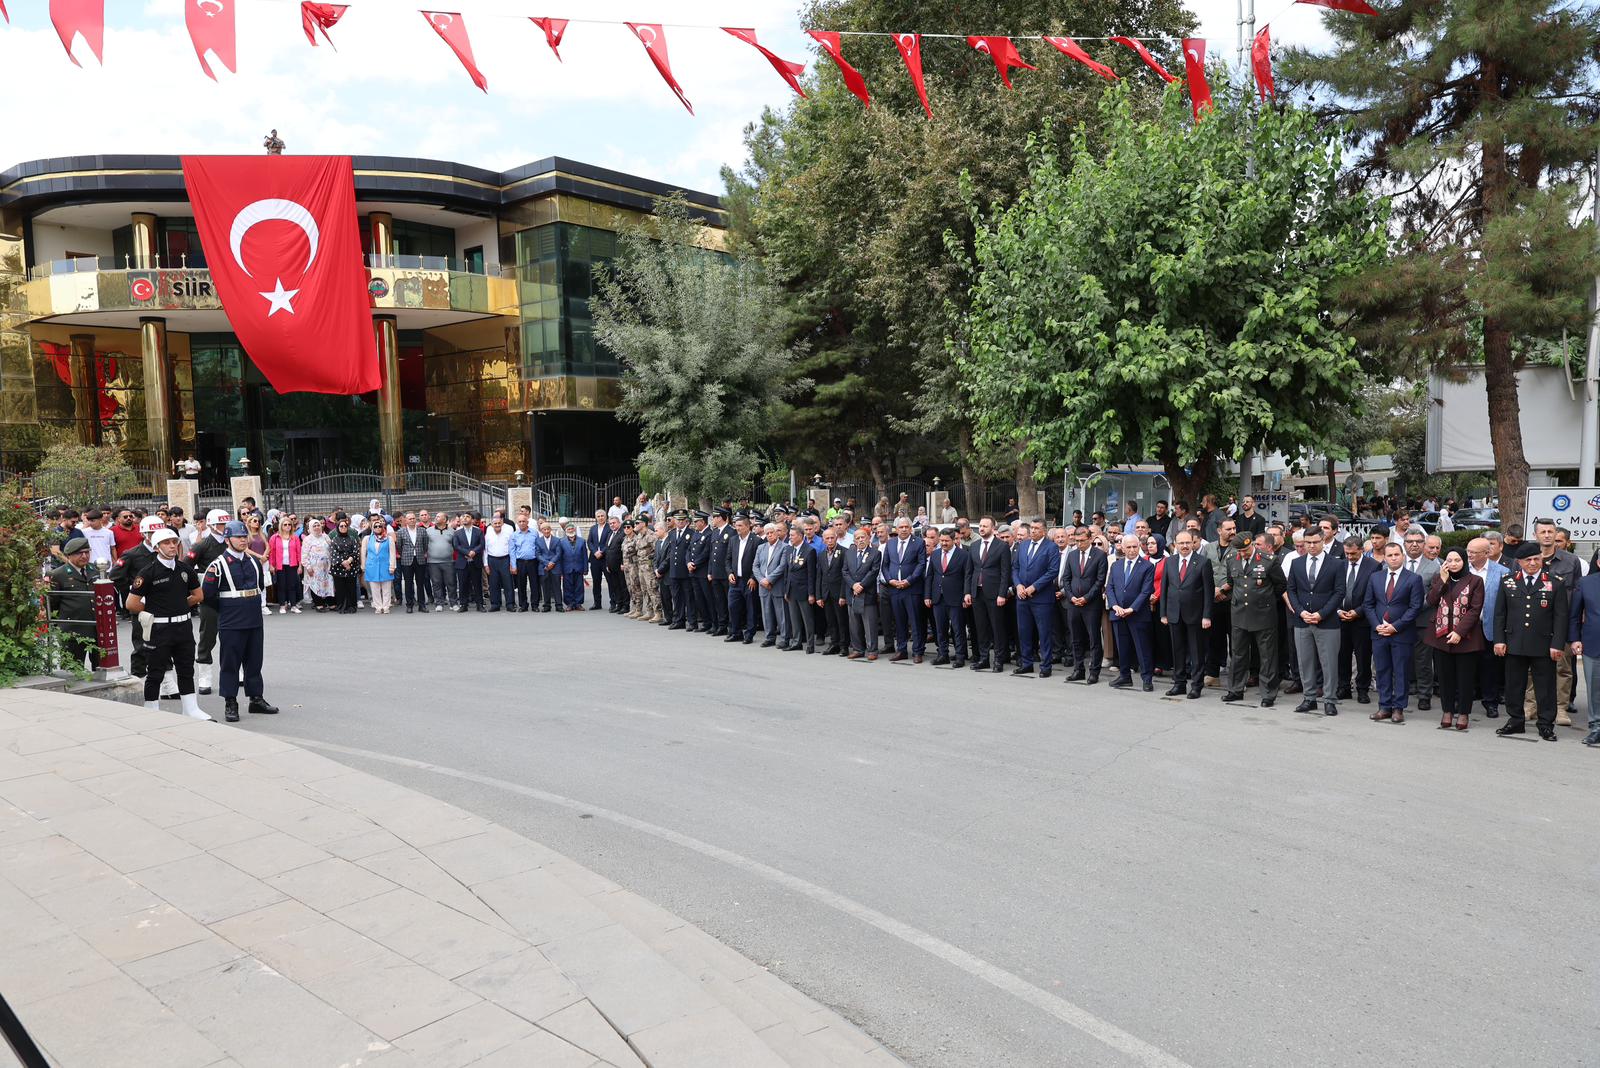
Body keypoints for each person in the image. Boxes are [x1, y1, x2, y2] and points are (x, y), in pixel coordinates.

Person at [126, 528, 209, 720]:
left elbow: (198, 595)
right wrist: (155, 612)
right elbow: (131, 603)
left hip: (183, 627)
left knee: (186, 669)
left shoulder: (185, 569)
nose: (172, 546)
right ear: (156, 547)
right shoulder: (148, 572)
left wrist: (178, 607)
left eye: (174, 542)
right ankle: (151, 708)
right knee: (155, 671)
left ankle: (191, 708)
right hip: (160, 628)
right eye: (166, 543)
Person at [201, 521, 278, 722]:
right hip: (231, 620)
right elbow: (208, 596)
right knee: (230, 663)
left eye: (245, 536)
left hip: (253, 618)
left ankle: (256, 699)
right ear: (227, 540)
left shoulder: (253, 561)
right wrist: (227, 611)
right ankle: (230, 702)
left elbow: (259, 586)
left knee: (254, 661)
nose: (243, 540)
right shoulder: (217, 565)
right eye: (238, 537)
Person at [1493, 541, 1569, 742]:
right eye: (1528, 560)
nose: (1533, 563)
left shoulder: (1555, 582)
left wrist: (1557, 644)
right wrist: (1499, 640)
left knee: (1545, 687)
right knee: (1514, 685)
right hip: (1514, 642)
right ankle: (1516, 720)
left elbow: (1561, 617)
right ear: (1519, 562)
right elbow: (1500, 614)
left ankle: (1545, 724)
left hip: (1543, 644)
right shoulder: (1508, 581)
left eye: (1537, 559)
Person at [1221, 532, 1287, 707]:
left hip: (1263, 615)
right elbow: (1231, 582)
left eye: (1246, 550)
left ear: (1252, 545)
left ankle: (1268, 694)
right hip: (1239, 613)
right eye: (1240, 551)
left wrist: (1265, 600)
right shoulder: (1231, 559)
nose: (1243, 554)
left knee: (1267, 656)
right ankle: (1235, 690)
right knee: (1238, 654)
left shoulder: (1269, 560)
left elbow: (1281, 585)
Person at [1423, 547, 1484, 731]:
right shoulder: (1440, 578)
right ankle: (1447, 711)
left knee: (1465, 678)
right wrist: (1441, 581)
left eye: (1457, 560)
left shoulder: (1475, 581)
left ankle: (1464, 713)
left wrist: (1459, 632)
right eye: (1449, 560)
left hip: (1466, 638)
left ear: (1465, 561)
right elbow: (1431, 601)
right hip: (1441, 636)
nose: (1453, 564)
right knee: (1444, 677)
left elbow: (1475, 609)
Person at [1366, 541, 1426, 722]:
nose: (1393, 558)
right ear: (1384, 558)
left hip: (1401, 633)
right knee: (1382, 670)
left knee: (1400, 671)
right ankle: (1384, 706)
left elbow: (1415, 608)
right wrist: (1377, 625)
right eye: (1390, 555)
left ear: (1403, 556)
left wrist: (1396, 626)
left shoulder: (1413, 579)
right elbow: (1368, 604)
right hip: (1379, 633)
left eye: (1396, 555)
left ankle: (1398, 708)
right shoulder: (1375, 577)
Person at [1160, 530, 1213, 698]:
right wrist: (1163, 613)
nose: (1184, 546)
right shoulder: (1169, 561)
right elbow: (1164, 589)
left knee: (1196, 652)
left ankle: (1196, 686)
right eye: (1181, 543)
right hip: (1174, 613)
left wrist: (1207, 615)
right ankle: (1179, 684)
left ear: (1193, 543)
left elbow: (1208, 592)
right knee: (1178, 650)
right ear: (1175, 545)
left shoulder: (1203, 562)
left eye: (1187, 543)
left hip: (1195, 615)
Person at [1336, 535, 1380, 704]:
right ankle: (1344, 687)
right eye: (1347, 553)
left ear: (1361, 550)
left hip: (1362, 619)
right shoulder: (1340, 565)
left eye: (1353, 554)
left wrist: (1358, 611)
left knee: (1363, 656)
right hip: (1341, 618)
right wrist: (1338, 610)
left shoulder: (1373, 567)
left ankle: (1362, 689)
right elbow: (1335, 591)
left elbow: (1374, 595)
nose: (1349, 557)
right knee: (1342, 655)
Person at [1401, 529, 1441, 710]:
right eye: (1410, 541)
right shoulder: (1395, 561)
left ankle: (1425, 694)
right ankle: (1408, 687)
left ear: (1424, 544)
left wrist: (1413, 608)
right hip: (1398, 620)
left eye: (1418, 541)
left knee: (1423, 660)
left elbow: (1434, 594)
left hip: (1423, 620)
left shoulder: (1434, 567)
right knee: (1403, 657)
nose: (1414, 544)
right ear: (1404, 543)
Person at [49, 537, 101, 671]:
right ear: (69, 555)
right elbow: (53, 603)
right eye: (79, 553)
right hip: (73, 630)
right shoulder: (59, 574)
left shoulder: (94, 570)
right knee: (72, 670)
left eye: (87, 552)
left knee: (101, 667)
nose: (84, 556)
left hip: (97, 628)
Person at [881, 517, 928, 663]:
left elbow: (921, 564)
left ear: (910, 528)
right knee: (899, 622)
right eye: (901, 527)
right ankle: (901, 650)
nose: (903, 529)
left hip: (912, 589)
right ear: (896, 529)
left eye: (906, 527)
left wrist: (909, 580)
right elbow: (885, 565)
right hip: (895, 589)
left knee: (915, 621)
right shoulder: (891, 543)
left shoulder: (919, 543)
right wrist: (890, 580)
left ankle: (917, 651)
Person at [922, 527, 970, 667]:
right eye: (941, 540)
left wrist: (966, 595)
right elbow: (930, 576)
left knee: (957, 629)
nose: (943, 543)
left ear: (954, 540)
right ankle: (943, 655)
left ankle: (960, 656)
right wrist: (927, 595)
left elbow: (967, 577)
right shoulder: (935, 555)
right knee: (940, 629)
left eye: (946, 541)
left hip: (956, 598)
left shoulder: (963, 555)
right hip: (938, 598)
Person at [1566, 563, 1600, 746]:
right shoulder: (1585, 583)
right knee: (1594, 688)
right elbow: (1574, 615)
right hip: (1593, 643)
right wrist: (1575, 639)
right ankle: (1596, 726)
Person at [844, 527, 882, 661]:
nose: (860, 540)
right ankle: (858, 649)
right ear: (854, 540)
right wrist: (853, 585)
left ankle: (872, 650)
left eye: (863, 537)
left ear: (868, 538)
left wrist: (861, 585)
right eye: (858, 538)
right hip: (852, 593)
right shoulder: (849, 552)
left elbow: (874, 571)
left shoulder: (875, 553)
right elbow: (845, 571)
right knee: (854, 624)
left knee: (869, 624)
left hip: (867, 593)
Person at [725, 514, 760, 642]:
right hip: (735, 581)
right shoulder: (733, 540)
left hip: (749, 581)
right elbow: (728, 559)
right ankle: (736, 632)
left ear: (747, 526)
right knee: (733, 606)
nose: (737, 528)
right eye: (736, 525)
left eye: (740, 526)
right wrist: (729, 572)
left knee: (751, 608)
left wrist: (753, 578)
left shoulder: (756, 541)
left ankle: (749, 634)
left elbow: (758, 562)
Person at [754, 521, 789, 647]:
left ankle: (785, 638)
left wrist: (769, 579)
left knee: (781, 614)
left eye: (772, 532)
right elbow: (755, 566)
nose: (769, 535)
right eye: (767, 533)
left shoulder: (784, 547)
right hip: (763, 586)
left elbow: (782, 566)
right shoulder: (761, 548)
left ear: (777, 534)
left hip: (777, 585)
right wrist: (762, 580)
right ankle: (769, 637)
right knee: (767, 613)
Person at [817, 527, 848, 656]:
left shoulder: (844, 552)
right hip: (826, 593)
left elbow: (844, 576)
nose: (830, 540)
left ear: (836, 538)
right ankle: (834, 644)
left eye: (832, 538)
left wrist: (843, 595)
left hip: (838, 593)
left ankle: (844, 646)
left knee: (841, 621)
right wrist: (819, 596)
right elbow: (819, 575)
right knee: (831, 621)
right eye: (827, 538)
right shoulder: (822, 554)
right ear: (823, 540)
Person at [362, 516, 398, 614]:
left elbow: (392, 553)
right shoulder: (367, 538)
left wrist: (392, 566)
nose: (378, 528)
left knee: (386, 588)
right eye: (375, 526)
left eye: (380, 526)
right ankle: (378, 606)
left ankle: (386, 606)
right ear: (372, 528)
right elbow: (363, 552)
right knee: (375, 588)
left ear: (383, 527)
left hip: (385, 566)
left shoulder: (389, 538)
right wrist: (363, 565)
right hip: (372, 566)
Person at [268, 516, 303, 615]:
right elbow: (271, 552)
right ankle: (282, 605)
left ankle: (293, 605)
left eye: (289, 524)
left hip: (292, 565)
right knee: (281, 586)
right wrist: (271, 565)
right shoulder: (274, 537)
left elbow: (298, 552)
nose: (287, 526)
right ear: (281, 526)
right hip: (280, 565)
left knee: (292, 585)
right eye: (285, 524)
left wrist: (300, 566)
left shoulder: (295, 538)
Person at [451, 512, 485, 612]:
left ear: (472, 519)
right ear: (461, 520)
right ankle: (463, 605)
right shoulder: (457, 533)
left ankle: (480, 605)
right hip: (462, 562)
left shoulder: (478, 531)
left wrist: (474, 552)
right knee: (463, 584)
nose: (465, 518)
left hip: (475, 561)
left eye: (467, 517)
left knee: (477, 584)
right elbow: (456, 546)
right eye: (463, 517)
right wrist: (467, 552)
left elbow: (482, 544)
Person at [301, 518, 334, 612]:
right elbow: (304, 554)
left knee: (328, 584)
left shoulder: (325, 537)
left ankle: (330, 603)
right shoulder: (307, 539)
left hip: (326, 567)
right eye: (314, 526)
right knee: (315, 584)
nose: (317, 527)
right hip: (314, 568)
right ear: (310, 528)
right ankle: (319, 604)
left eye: (318, 525)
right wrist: (307, 566)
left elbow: (331, 549)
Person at [602, 515, 629, 615]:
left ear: (619, 523)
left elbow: (624, 551)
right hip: (611, 566)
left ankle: (626, 606)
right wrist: (607, 565)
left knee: (623, 586)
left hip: (620, 566)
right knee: (615, 586)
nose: (612, 525)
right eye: (610, 523)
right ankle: (619, 604)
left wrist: (623, 563)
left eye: (614, 523)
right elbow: (608, 550)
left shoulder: (622, 534)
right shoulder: (610, 534)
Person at [559, 523, 587, 609]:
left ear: (574, 530)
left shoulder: (582, 541)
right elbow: (560, 557)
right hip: (567, 568)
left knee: (579, 587)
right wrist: (560, 570)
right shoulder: (561, 542)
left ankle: (578, 603)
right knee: (567, 587)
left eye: (572, 529)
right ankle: (569, 604)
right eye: (568, 529)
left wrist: (585, 568)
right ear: (565, 531)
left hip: (579, 567)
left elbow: (585, 556)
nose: (570, 531)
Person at [586, 510, 610, 610]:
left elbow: (609, 542)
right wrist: (595, 552)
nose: (600, 518)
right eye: (598, 516)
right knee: (596, 582)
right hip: (595, 558)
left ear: (606, 517)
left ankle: (614, 603)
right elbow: (589, 542)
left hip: (605, 558)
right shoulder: (593, 528)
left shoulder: (610, 528)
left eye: (602, 516)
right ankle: (597, 603)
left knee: (610, 581)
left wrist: (602, 552)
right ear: (596, 517)